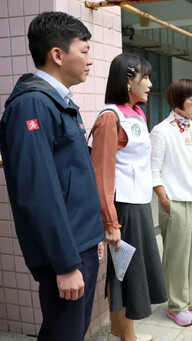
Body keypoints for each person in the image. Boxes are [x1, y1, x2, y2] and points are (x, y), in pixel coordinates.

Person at [0, 12, 104, 341]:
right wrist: (65, 264)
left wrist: (94, 236)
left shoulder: (58, 103)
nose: (90, 59)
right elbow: (39, 193)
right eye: (84, 50)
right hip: (67, 253)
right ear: (57, 55)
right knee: (64, 334)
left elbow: (71, 177)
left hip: (79, 244)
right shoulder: (32, 106)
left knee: (71, 331)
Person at [90, 53, 167, 341]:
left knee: (127, 272)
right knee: (124, 274)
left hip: (139, 204)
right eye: (143, 77)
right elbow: (102, 175)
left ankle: (120, 333)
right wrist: (111, 221)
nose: (149, 83)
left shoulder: (137, 113)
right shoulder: (111, 117)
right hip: (123, 208)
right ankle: (127, 336)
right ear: (127, 80)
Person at [150, 79, 192, 327]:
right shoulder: (161, 130)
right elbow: (153, 170)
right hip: (176, 198)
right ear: (178, 100)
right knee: (177, 255)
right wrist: (165, 200)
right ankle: (177, 306)